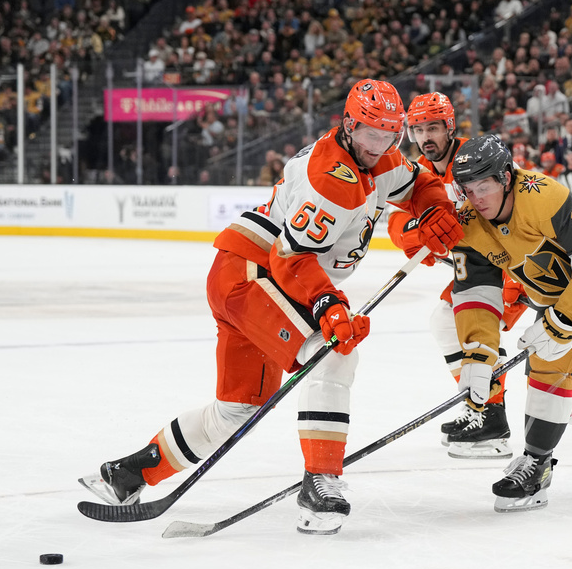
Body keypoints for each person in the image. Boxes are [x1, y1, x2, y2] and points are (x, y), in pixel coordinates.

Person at [80, 80, 465, 534]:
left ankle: (126, 474)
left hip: (249, 277)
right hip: (254, 276)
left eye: (388, 136)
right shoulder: (330, 179)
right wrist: (329, 306)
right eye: (368, 135)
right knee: (334, 355)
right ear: (348, 125)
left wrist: (436, 206)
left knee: (236, 410)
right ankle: (320, 482)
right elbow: (292, 258)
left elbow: (418, 182)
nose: (377, 146)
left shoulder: (382, 158)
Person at [449, 134, 572, 512]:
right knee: (545, 371)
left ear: (506, 177)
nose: (477, 199)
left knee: (549, 362)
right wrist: (478, 352)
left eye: (484, 186)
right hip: (561, 288)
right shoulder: (468, 221)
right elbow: (475, 292)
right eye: (468, 190)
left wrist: (560, 321)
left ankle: (536, 465)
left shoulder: (544, 196)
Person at [387, 91, 527, 458]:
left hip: (515, 264)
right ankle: (483, 412)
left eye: (432, 128)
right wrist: (423, 235)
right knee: (446, 322)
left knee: (470, 329)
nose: (424, 138)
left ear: (449, 126)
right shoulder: (416, 170)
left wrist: (519, 281)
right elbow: (397, 221)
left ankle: (490, 417)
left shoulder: (476, 156)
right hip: (481, 266)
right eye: (417, 130)